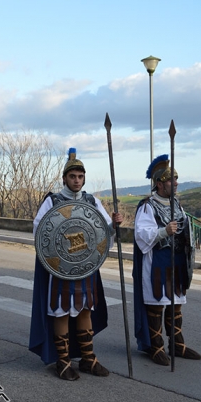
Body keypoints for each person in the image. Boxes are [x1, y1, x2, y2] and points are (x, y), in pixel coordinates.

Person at [29, 148, 123, 381]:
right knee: (61, 311)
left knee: (84, 310)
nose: (77, 181)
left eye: (80, 177)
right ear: (64, 178)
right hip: (60, 269)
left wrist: (114, 225)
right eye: (73, 177)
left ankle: (88, 359)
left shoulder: (92, 201)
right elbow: (40, 231)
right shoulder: (52, 201)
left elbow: (102, 233)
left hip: (85, 268)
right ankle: (62, 361)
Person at [132, 154, 201, 366]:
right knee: (157, 306)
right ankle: (156, 347)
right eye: (172, 180)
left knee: (176, 305)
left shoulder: (176, 205)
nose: (177, 183)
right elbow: (141, 234)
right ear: (160, 183)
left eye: (177, 179)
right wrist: (164, 231)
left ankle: (177, 345)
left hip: (177, 262)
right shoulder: (148, 206)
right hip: (158, 263)